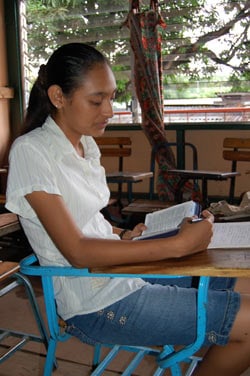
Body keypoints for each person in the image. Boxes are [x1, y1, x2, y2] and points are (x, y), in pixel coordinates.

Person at [5, 43, 250, 376]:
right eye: (96, 100)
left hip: (117, 274)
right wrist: (177, 245)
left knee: (220, 275)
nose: (109, 110)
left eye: (111, 97)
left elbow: (86, 219)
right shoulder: (31, 151)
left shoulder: (84, 145)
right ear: (58, 97)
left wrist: (123, 234)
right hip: (94, 302)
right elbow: (77, 251)